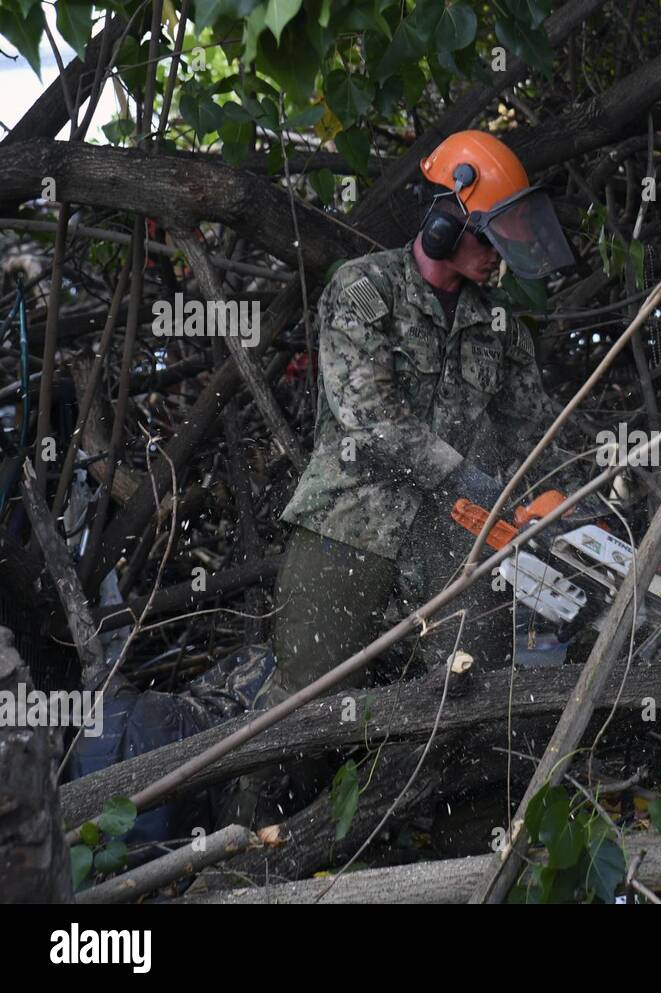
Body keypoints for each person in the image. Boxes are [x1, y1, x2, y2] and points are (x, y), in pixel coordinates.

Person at [227, 131, 574, 824]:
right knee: (304, 702)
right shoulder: (364, 289)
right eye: (489, 235)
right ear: (444, 222)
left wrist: (571, 496)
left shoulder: (496, 323)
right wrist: (472, 480)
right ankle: (242, 847)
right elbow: (371, 419)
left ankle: (419, 841)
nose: (498, 254)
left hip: (454, 541)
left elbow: (533, 429)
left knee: (467, 695)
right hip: (350, 526)